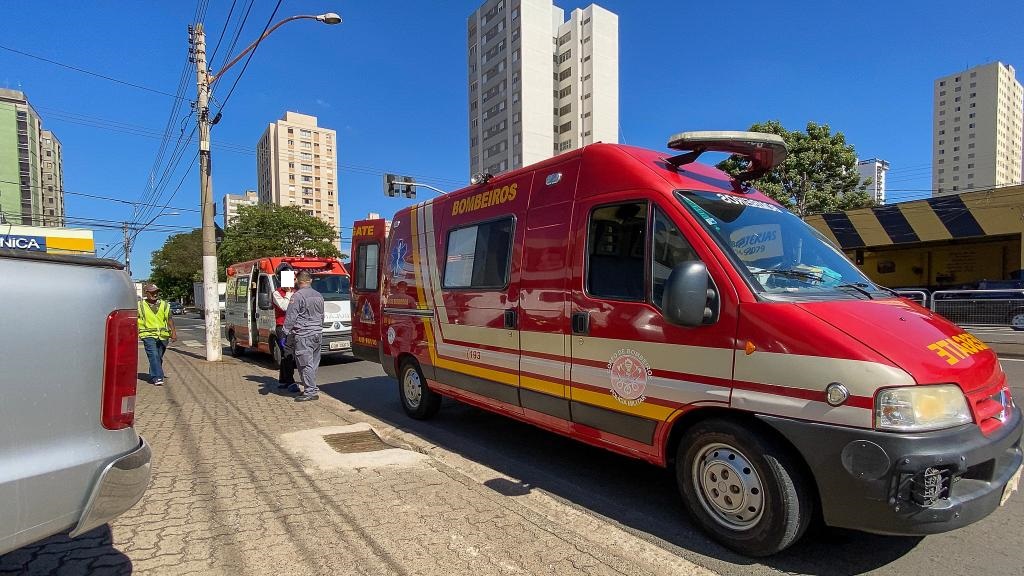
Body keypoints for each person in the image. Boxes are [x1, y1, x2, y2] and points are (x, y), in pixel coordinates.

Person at [283, 271, 324, 402]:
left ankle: (310, 391)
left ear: (297, 281)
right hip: (317, 333)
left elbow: (291, 317)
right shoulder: (319, 295)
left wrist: (284, 332)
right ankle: (311, 387)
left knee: (305, 364)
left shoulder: (297, 296)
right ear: (310, 281)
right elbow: (322, 315)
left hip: (304, 334)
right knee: (313, 363)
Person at [138, 284, 177, 386]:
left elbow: (169, 319)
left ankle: (153, 373)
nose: (154, 294)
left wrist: (173, 333)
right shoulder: (140, 305)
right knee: (153, 355)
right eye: (152, 292)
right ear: (146, 293)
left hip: (163, 335)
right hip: (147, 334)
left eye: (156, 292)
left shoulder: (164, 305)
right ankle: (157, 377)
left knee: (158, 357)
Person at [272, 276, 298, 391]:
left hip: (294, 327)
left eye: (294, 279)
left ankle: (283, 380)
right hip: (282, 327)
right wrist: (288, 293)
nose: (292, 281)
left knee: (287, 354)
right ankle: (290, 381)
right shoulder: (277, 293)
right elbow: (284, 307)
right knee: (287, 353)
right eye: (290, 279)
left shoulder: (297, 292)